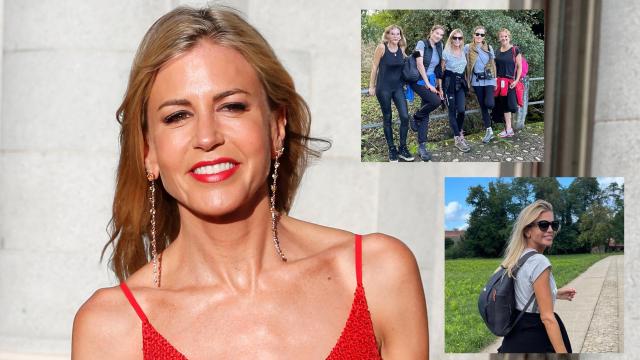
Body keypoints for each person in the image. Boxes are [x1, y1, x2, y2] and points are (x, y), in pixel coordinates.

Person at [71, 6, 428, 359]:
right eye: (177, 116)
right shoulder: (111, 330)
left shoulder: (377, 274)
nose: (207, 137)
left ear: (276, 127)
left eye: (232, 107)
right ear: (148, 151)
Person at [498, 200, 575, 353]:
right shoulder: (539, 261)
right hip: (536, 336)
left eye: (554, 225)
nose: (550, 229)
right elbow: (547, 318)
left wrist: (556, 293)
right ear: (527, 231)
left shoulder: (518, 258)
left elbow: (525, 292)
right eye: (543, 225)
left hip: (516, 334)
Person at [368, 25, 414, 162]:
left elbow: (404, 62)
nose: (395, 36)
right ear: (387, 35)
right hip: (384, 89)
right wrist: (371, 86)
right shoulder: (381, 48)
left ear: (400, 35)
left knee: (405, 117)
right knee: (387, 117)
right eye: (392, 34)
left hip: (398, 88)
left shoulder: (401, 48)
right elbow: (375, 66)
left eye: (397, 34)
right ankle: (391, 149)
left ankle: (402, 148)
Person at [408, 25, 446, 162]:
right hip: (418, 79)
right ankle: (416, 116)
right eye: (437, 33)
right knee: (435, 101)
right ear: (431, 32)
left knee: (426, 114)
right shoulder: (421, 44)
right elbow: (419, 64)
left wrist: (439, 86)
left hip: (431, 80)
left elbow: (438, 69)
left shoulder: (440, 46)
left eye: (441, 35)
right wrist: (428, 84)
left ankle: (422, 147)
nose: (438, 36)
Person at [465, 26, 496, 144]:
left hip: (489, 79)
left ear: (484, 37)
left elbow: (493, 64)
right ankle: (489, 130)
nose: (479, 36)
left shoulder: (489, 47)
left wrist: (496, 79)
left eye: (482, 35)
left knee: (489, 103)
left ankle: (495, 117)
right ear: (473, 34)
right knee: (483, 106)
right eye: (477, 34)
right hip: (476, 80)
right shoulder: (468, 47)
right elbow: (461, 58)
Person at [440, 29, 470, 153]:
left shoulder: (465, 50)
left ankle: (458, 132)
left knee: (462, 110)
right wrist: (440, 88)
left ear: (462, 39)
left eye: (460, 38)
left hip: (460, 83)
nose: (457, 40)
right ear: (451, 38)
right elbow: (441, 71)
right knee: (452, 111)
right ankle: (458, 138)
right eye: (455, 37)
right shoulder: (446, 52)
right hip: (449, 84)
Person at [494, 28, 522, 138]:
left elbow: (519, 66)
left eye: (506, 36)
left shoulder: (515, 50)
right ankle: (508, 129)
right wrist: (495, 79)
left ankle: (509, 128)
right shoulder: (497, 51)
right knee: (500, 104)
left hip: (510, 82)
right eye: (502, 36)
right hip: (499, 82)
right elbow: (495, 67)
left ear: (509, 37)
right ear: (499, 38)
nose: (504, 38)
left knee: (508, 105)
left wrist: (516, 80)